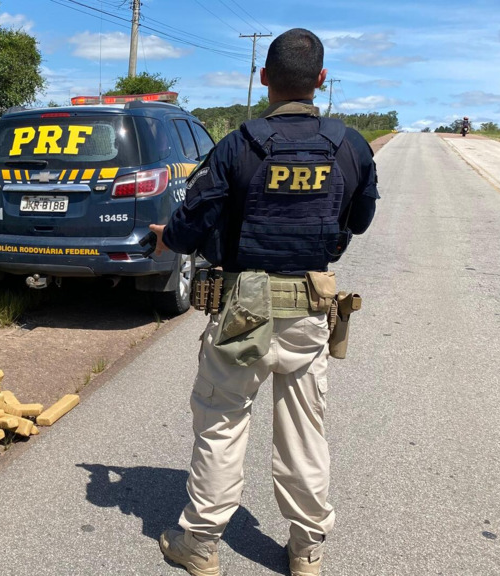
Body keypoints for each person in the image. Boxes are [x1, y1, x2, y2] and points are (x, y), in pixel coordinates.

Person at [149, 28, 379, 576]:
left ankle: (200, 545)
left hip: (241, 310)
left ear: (264, 79)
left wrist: (166, 237)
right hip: (308, 308)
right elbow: (361, 220)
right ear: (320, 81)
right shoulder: (349, 146)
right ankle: (306, 550)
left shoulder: (237, 145)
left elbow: (188, 225)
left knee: (222, 422)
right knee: (304, 428)